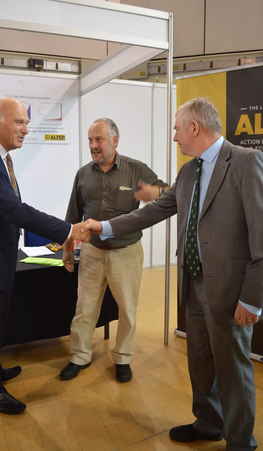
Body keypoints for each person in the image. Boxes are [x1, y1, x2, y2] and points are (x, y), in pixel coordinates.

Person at [82, 98, 263, 450]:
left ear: (194, 127)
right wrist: (102, 225)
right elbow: (149, 214)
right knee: (199, 360)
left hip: (230, 291)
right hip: (193, 285)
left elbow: (262, 237)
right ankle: (209, 423)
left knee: (233, 369)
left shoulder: (245, 162)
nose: (175, 137)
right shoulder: (188, 171)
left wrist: (253, 299)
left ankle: (241, 442)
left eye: (177, 129)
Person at [0, 97, 90, 415]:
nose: (25, 129)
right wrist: (67, 230)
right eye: (19, 122)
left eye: (26, 122)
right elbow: (14, 209)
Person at [60, 117, 168, 383]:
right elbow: (73, 215)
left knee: (127, 310)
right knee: (84, 308)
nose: (93, 146)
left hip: (126, 252)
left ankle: (122, 358)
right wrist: (66, 249)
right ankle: (80, 356)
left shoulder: (135, 169)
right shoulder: (83, 174)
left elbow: (169, 193)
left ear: (115, 141)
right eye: (90, 140)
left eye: (99, 140)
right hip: (92, 252)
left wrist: (155, 192)